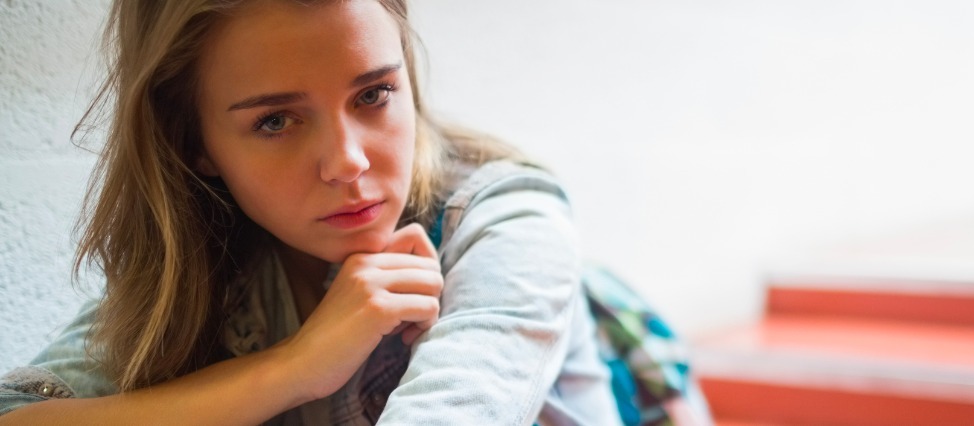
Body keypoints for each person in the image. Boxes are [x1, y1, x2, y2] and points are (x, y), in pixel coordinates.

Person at [0, 0, 706, 424]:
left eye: (372, 95)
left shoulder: (504, 218)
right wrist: (296, 366)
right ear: (195, 144)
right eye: (277, 121)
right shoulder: (210, 264)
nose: (348, 163)